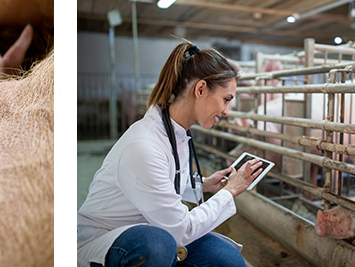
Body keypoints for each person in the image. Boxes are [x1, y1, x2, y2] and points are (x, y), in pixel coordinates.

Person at [78, 41, 264, 267]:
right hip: (110, 238)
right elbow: (180, 230)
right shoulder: (143, 145)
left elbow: (159, 186)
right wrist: (230, 190)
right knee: (156, 245)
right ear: (201, 89)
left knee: (227, 260)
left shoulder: (176, 133)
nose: (227, 111)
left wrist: (202, 185)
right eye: (226, 99)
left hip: (154, 228)